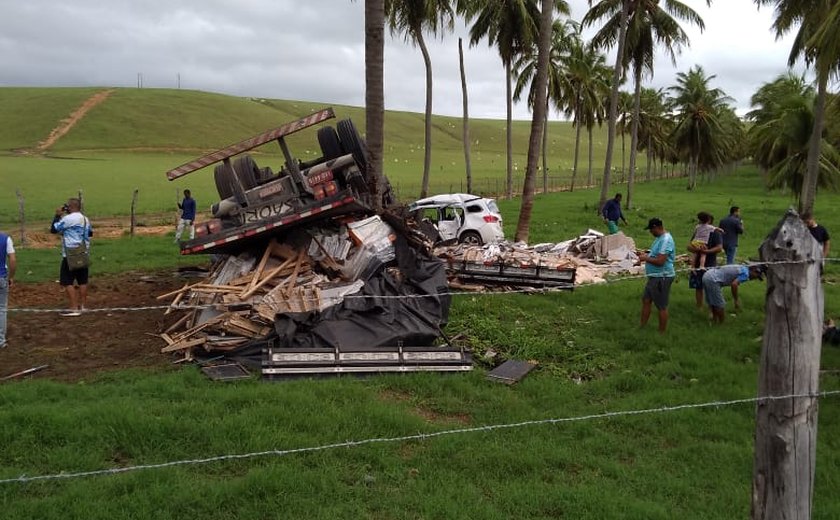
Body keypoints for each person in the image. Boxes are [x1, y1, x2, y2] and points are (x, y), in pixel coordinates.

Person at [50, 198, 93, 317]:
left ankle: (74, 307)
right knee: (82, 281)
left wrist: (57, 215)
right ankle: (83, 306)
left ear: (71, 207)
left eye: (67, 206)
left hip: (70, 254)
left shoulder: (68, 219)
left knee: (66, 281)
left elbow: (54, 229)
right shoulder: (85, 219)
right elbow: (90, 233)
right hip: (83, 252)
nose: (66, 208)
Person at [639, 217, 676, 334]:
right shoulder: (659, 238)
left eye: (651, 230)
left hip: (662, 276)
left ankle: (661, 332)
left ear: (656, 227)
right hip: (654, 276)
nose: (650, 232)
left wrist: (645, 258)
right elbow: (655, 254)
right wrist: (645, 256)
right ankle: (642, 326)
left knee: (661, 306)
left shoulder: (666, 240)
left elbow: (660, 261)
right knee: (646, 300)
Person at [701, 264, 766, 323]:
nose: (754, 279)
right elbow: (734, 284)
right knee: (720, 304)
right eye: (757, 276)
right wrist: (736, 300)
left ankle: (714, 320)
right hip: (713, 279)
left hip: (707, 275)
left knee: (713, 301)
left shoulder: (741, 267)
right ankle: (722, 324)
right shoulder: (746, 274)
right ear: (754, 270)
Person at [687, 214, 724, 308]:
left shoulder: (715, 233)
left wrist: (706, 251)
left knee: (710, 287)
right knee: (698, 287)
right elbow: (689, 246)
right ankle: (699, 306)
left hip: (710, 264)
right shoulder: (699, 230)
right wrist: (697, 250)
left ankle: (712, 307)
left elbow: (719, 248)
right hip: (698, 264)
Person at [0, 230, 16, 348]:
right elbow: (12, 259)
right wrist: (11, 277)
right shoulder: (6, 238)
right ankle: (0, 340)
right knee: (1, 309)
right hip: (1, 277)